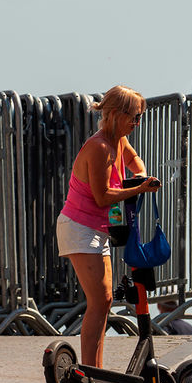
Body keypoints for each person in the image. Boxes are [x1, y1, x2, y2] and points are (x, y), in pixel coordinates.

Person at [56, 85, 160, 368]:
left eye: (140, 117)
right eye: (134, 117)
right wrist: (139, 188)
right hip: (79, 225)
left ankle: (95, 370)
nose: (137, 123)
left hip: (97, 229)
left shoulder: (119, 141)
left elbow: (132, 158)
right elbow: (102, 196)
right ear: (115, 114)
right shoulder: (100, 146)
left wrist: (140, 173)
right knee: (99, 300)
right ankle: (89, 369)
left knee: (105, 300)